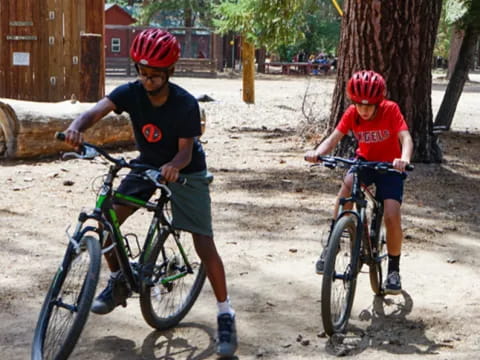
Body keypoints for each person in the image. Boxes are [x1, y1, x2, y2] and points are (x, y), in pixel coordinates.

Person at [62, 28, 237, 357]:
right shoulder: (130, 92)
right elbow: (95, 111)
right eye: (142, 73)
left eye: (155, 75)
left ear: (169, 73)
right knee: (106, 218)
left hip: (186, 171)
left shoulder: (185, 104)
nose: (147, 80)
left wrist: (174, 166)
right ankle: (118, 281)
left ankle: (225, 312)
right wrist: (76, 127)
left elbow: (186, 152)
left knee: (202, 239)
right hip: (146, 166)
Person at [304, 70, 413, 295]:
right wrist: (317, 152)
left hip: (390, 167)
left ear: (378, 102)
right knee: (347, 186)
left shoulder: (390, 110)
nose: (363, 110)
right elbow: (334, 138)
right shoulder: (352, 113)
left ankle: (394, 269)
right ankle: (332, 243)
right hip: (364, 162)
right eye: (359, 105)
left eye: (369, 106)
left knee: (392, 214)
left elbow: (405, 137)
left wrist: (404, 158)